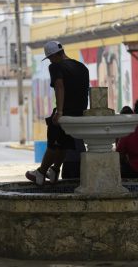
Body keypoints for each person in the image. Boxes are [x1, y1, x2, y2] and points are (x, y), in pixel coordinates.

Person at [26, 41, 89, 185]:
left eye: (49, 58)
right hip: (80, 112)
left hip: (65, 111)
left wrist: (59, 112)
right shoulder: (81, 67)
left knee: (53, 144)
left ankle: (41, 173)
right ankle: (54, 171)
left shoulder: (55, 66)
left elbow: (59, 86)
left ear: (54, 56)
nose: (50, 61)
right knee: (64, 143)